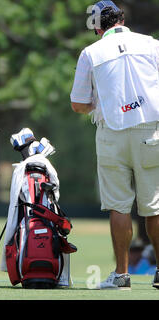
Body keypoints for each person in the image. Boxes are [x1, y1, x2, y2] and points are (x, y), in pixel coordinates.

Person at [70, 1, 159, 289]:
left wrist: (102, 104)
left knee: (119, 207)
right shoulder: (151, 44)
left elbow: (78, 104)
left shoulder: (90, 52)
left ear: (96, 25)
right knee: (154, 208)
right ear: (121, 18)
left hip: (112, 133)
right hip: (151, 131)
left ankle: (121, 274)